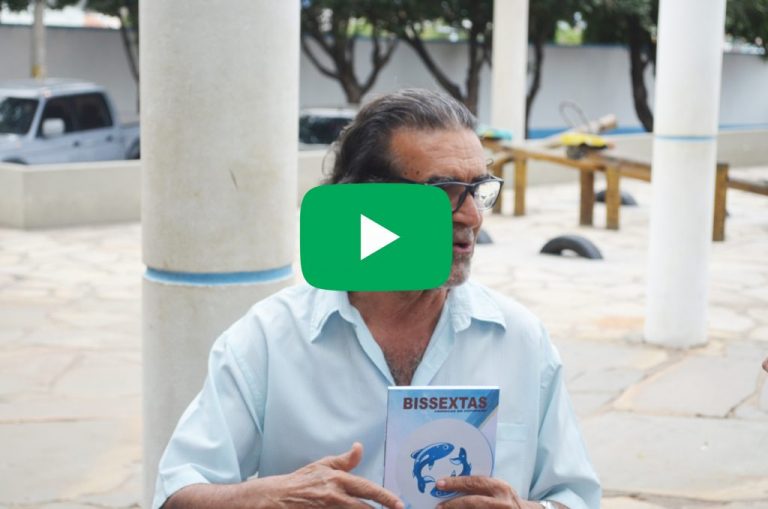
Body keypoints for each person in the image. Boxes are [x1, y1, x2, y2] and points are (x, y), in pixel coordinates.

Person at [153, 89, 601, 509]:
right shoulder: (269, 339)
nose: (470, 215)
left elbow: (575, 494)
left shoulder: (520, 339)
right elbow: (177, 491)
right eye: (443, 192)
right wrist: (267, 498)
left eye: (478, 190)